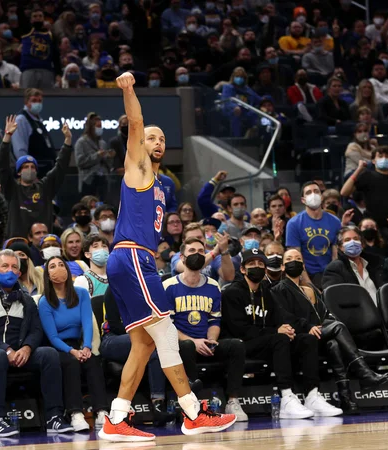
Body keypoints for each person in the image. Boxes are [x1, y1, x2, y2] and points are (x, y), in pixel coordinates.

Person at [100, 73, 236, 442]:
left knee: (144, 344)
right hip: (131, 257)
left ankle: (115, 418)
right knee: (165, 332)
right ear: (140, 144)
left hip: (134, 260)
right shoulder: (138, 168)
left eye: (162, 138)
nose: (156, 142)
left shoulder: (163, 185)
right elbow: (137, 123)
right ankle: (192, 411)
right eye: (150, 138)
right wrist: (128, 90)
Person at [222, 248, 342, 418]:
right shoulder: (232, 293)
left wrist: (296, 328)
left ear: (265, 269)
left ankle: (312, 396)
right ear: (242, 269)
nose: (256, 267)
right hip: (243, 344)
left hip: (267, 342)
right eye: (251, 264)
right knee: (280, 339)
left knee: (306, 339)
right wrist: (276, 331)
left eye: (260, 264)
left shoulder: (267, 291)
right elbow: (239, 329)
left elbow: (282, 315)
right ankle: (286, 397)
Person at [0, 249, 72, 436]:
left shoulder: (27, 301)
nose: (10, 270)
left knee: (48, 354)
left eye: (14, 267)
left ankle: (54, 417)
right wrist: (6, 349)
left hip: (21, 352)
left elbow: (36, 329)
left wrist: (27, 348)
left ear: (19, 273)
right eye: (5, 266)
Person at [274, 247, 388, 414]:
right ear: (282, 267)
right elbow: (285, 316)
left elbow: (323, 314)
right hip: (299, 336)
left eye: (298, 259)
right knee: (338, 327)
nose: (294, 261)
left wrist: (318, 324)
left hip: (318, 334)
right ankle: (363, 372)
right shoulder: (278, 289)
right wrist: (308, 326)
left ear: (303, 265)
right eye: (289, 259)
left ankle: (346, 397)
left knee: (333, 344)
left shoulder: (310, 288)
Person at [165, 237, 249, 422]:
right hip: (180, 345)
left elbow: (214, 320)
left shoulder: (212, 285)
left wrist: (211, 340)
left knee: (236, 346)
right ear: (182, 257)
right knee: (186, 346)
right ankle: (193, 403)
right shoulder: (169, 286)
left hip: (205, 343)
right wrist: (194, 342)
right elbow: (167, 326)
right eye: (192, 251)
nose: (197, 254)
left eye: (200, 251)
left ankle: (233, 401)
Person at [39, 256, 108, 431]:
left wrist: (86, 347)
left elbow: (87, 322)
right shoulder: (44, 301)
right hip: (59, 346)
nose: (58, 269)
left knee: (93, 360)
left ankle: (101, 412)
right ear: (47, 275)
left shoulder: (81, 294)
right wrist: (72, 351)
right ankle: (75, 413)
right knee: (71, 363)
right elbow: (52, 336)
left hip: (80, 342)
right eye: (53, 266)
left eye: (61, 265)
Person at [0, 113, 72, 240]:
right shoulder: (12, 189)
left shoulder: (45, 187)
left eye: (33, 167)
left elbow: (60, 167)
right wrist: (7, 137)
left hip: (44, 243)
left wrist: (68, 141)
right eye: (26, 167)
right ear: (19, 172)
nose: (30, 170)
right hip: (18, 243)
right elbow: (2, 167)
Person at [285, 181, 341, 289]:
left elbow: (335, 255)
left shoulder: (335, 221)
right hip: (307, 275)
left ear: (321, 196)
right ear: (303, 200)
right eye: (308, 192)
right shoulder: (294, 224)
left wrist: (334, 279)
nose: (313, 195)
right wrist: (310, 286)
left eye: (316, 191)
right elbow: (296, 259)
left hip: (330, 275)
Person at [340, 147, 388, 237]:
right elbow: (344, 192)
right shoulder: (367, 176)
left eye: (387, 156)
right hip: (372, 224)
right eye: (380, 156)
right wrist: (358, 169)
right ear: (373, 161)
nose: (384, 158)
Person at [322, 226, 384, 299]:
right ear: (340, 247)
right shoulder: (334, 269)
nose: (353, 242)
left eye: (356, 239)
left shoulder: (376, 263)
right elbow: (334, 298)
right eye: (347, 240)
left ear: (362, 244)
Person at [10, 89, 59, 177]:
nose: (37, 104)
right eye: (34, 101)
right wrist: (27, 172)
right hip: (33, 173)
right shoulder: (21, 120)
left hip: (46, 171)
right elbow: (20, 150)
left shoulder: (38, 120)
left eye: (40, 101)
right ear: (26, 102)